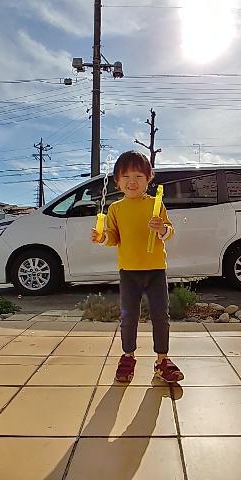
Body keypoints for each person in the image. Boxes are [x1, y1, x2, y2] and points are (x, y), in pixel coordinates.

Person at [91, 150, 184, 383]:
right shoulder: (116, 208)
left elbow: (169, 231)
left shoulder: (156, 204)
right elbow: (113, 237)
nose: (132, 181)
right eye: (126, 176)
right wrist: (102, 237)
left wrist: (161, 229)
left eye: (138, 176)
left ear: (148, 179)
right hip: (129, 272)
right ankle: (128, 356)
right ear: (117, 181)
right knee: (129, 317)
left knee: (161, 315)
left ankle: (162, 360)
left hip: (155, 270)